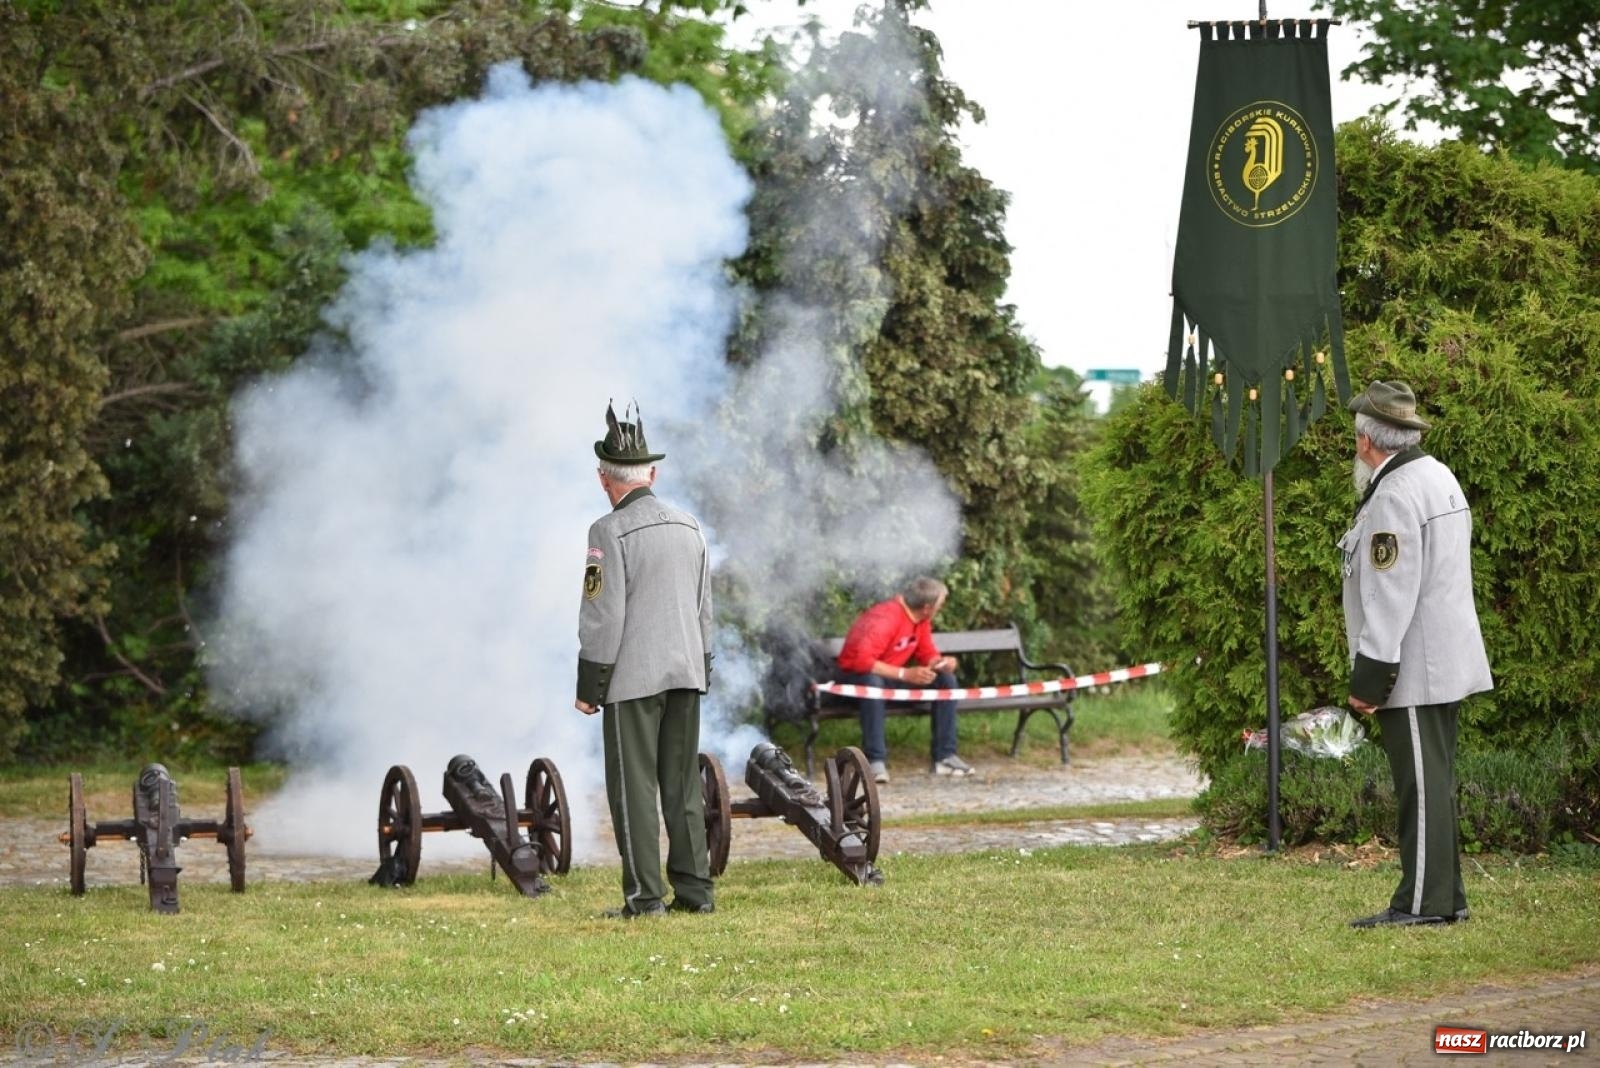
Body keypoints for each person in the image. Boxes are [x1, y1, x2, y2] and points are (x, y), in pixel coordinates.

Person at [1339, 381, 1493, 928]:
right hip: (1438, 658)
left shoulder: (1395, 495)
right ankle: (1446, 899)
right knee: (1432, 782)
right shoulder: (1436, 476)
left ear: (1366, 442)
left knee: (1420, 789)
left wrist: (1370, 678)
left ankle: (1424, 904)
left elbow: (1390, 593)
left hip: (1413, 665)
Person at [575, 401, 715, 919]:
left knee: (634, 791)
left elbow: (602, 617)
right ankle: (696, 894)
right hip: (686, 670)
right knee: (682, 788)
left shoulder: (605, 533)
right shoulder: (691, 525)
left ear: (603, 478)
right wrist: (705, 666)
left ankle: (645, 898)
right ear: (651, 473)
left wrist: (591, 686)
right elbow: (705, 608)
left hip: (631, 679)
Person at [836, 576, 972, 783]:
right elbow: (862, 661)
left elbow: (926, 653)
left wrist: (940, 662)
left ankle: (945, 757)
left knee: (946, 680)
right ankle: (875, 761)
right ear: (927, 607)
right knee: (874, 683)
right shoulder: (885, 618)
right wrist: (905, 674)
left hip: (889, 679)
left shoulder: (921, 620)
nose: (941, 608)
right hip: (854, 681)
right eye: (940, 604)